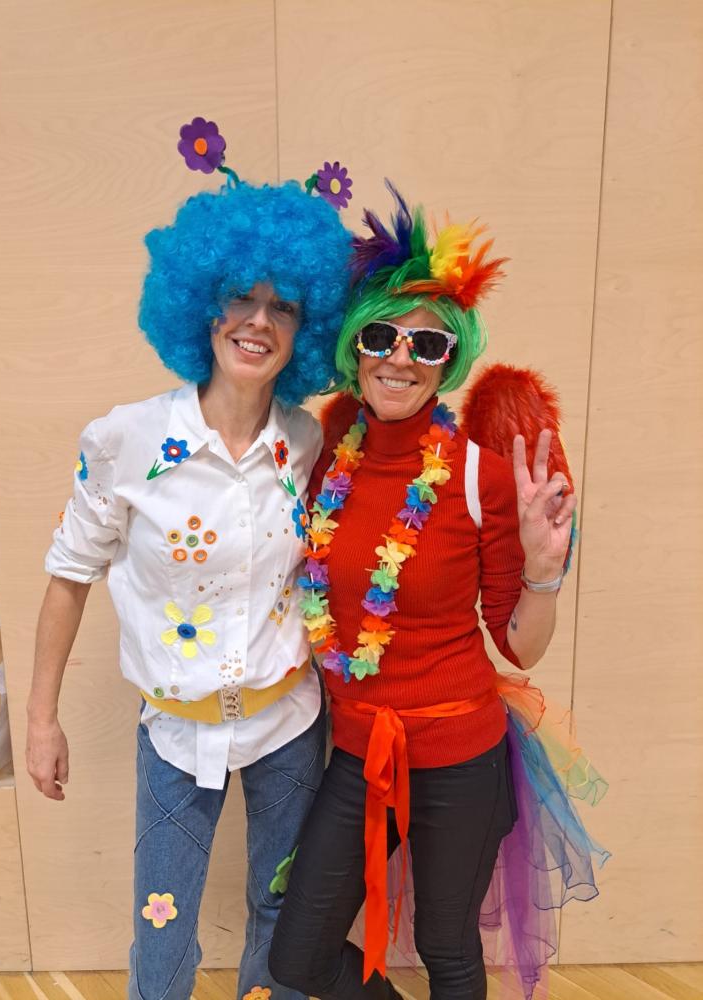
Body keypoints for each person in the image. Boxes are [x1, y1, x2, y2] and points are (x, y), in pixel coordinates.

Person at [25, 117, 353, 1000]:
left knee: (283, 918)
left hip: (289, 723)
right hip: (174, 731)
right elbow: (68, 577)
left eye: (285, 305)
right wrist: (41, 719)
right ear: (203, 303)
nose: (258, 321)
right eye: (240, 296)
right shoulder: (126, 440)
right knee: (162, 933)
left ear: (306, 326)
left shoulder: (306, 441)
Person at [269, 185, 606, 1000]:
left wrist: (542, 567)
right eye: (381, 336)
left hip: (460, 756)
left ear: (449, 361)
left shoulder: (480, 475)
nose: (400, 358)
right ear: (354, 346)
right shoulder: (326, 457)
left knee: (447, 948)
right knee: (298, 958)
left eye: (427, 343)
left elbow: (519, 646)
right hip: (361, 749)